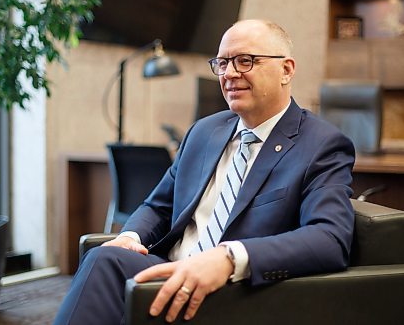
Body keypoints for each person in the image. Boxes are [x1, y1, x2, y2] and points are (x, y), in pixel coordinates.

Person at [54, 19, 355, 324]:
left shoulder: (321, 144)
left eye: (245, 60)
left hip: (236, 288)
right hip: (170, 268)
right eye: (222, 62)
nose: (230, 73)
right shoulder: (204, 131)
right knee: (104, 258)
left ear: (286, 70)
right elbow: (159, 206)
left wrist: (228, 258)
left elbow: (329, 238)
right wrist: (131, 236)